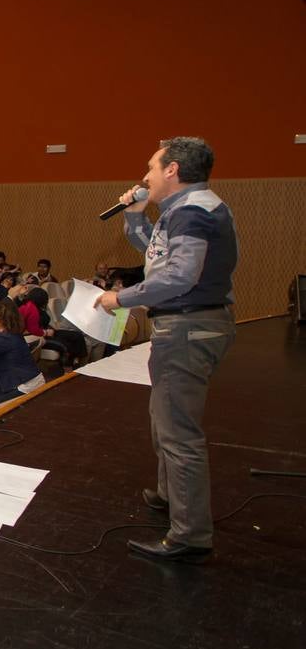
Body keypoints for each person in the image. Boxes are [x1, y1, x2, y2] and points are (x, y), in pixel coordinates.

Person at [96, 136, 237, 563]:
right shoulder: (184, 210)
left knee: (178, 431)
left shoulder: (193, 213)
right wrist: (135, 217)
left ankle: (189, 533)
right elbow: (156, 256)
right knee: (165, 418)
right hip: (188, 326)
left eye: (152, 167)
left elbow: (178, 277)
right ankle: (167, 493)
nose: (146, 175)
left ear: (173, 170)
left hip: (188, 327)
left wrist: (119, 298)